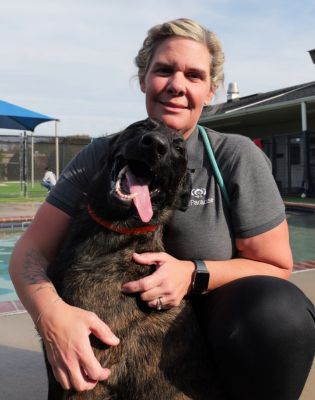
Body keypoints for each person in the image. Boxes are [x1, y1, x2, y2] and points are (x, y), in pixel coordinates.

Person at [9, 18, 314, 399]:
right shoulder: (103, 153)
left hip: (220, 322)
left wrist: (192, 274)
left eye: (194, 75)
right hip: (123, 322)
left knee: (278, 314)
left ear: (210, 90)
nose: (177, 86)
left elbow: (277, 266)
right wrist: (51, 315)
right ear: (143, 79)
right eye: (164, 70)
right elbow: (29, 252)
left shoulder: (233, 155)